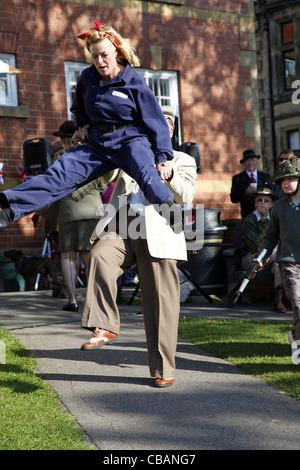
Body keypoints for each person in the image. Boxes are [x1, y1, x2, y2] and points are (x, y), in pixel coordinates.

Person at [0, 21, 180, 233]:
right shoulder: (87, 77)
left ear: (116, 52)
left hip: (130, 140)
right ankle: (9, 208)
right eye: (94, 56)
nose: (99, 61)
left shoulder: (134, 82)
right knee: (59, 173)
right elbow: (78, 108)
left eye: (104, 55)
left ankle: (173, 214)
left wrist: (163, 158)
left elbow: (156, 121)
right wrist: (82, 125)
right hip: (97, 144)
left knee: (146, 172)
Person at [80, 106, 197, 388]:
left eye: (161, 127)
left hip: (160, 232)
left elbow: (188, 195)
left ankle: (162, 370)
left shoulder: (183, 159)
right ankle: (105, 324)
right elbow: (105, 176)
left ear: (169, 131)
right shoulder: (130, 155)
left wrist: (168, 174)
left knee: (160, 306)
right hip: (124, 226)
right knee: (99, 255)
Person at [53, 120, 107, 312]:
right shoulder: (92, 155)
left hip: (69, 212)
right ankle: (99, 299)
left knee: (68, 257)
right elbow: (104, 185)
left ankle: (72, 301)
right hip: (93, 211)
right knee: (89, 255)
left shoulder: (61, 160)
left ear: (64, 140)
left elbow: (53, 187)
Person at [257, 156, 300, 364]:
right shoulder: (278, 208)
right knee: (299, 304)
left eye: (290, 179)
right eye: (282, 180)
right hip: (289, 263)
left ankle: (296, 338)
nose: (285, 183)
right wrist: (261, 256)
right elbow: (270, 238)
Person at [241, 187, 286, 313]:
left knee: (279, 264)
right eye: (259, 200)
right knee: (279, 257)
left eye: (266, 200)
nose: (263, 203)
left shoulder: (274, 220)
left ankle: (279, 300)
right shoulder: (250, 220)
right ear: (255, 203)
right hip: (252, 258)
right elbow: (254, 245)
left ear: (271, 204)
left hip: (270, 258)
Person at [230, 149, 272, 218]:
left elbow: (272, 194)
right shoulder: (238, 178)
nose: (250, 163)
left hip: (265, 214)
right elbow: (233, 198)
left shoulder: (266, 177)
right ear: (243, 163)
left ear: (256, 161)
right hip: (248, 215)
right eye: (247, 161)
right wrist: (245, 192)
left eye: (252, 160)